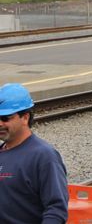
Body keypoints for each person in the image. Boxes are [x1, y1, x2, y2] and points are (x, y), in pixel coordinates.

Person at [0, 83, 69, 224]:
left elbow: (56, 209)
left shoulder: (44, 157)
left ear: (25, 117)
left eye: (5, 118)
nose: (0, 123)